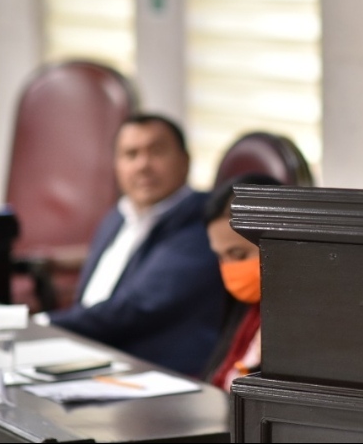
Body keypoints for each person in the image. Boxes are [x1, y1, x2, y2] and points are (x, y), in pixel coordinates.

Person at [42, 113, 227, 377]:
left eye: (157, 152)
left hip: (157, 375)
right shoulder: (119, 215)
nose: (143, 165)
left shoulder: (202, 223)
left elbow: (137, 308)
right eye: (131, 155)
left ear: (185, 161)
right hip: (90, 358)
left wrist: (42, 323)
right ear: (116, 166)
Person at [201, 173, 281, 390]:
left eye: (239, 254)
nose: (230, 268)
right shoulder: (243, 309)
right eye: (221, 257)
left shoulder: (301, 322)